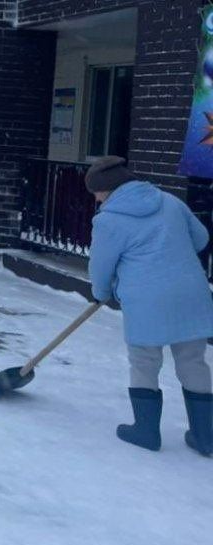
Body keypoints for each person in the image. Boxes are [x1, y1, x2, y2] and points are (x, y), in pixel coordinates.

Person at [87, 156, 213, 456]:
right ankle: (206, 437)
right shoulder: (170, 201)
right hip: (190, 293)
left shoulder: (108, 219)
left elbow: (101, 265)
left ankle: (145, 431)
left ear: (109, 188)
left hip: (147, 300)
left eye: (97, 192)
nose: (96, 198)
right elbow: (201, 237)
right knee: (193, 361)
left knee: (144, 360)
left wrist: (101, 292)